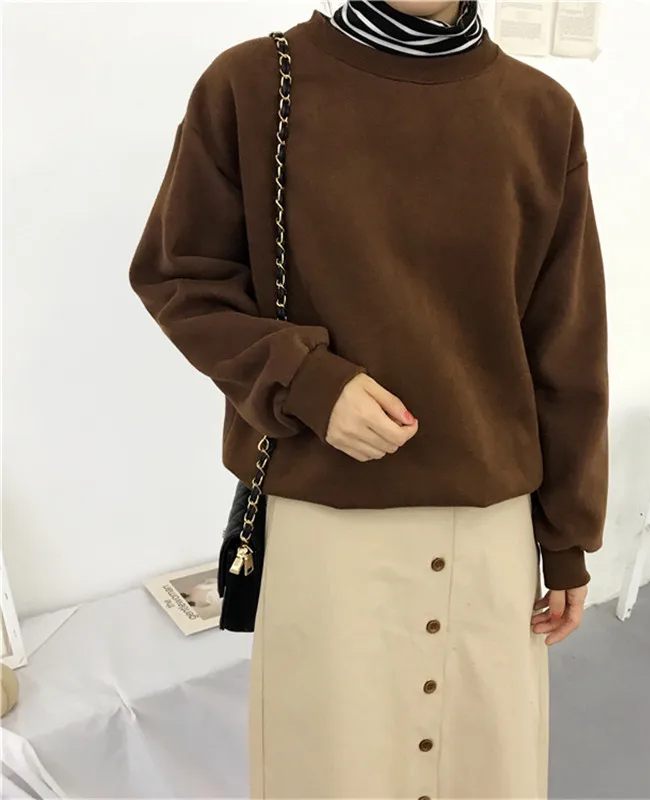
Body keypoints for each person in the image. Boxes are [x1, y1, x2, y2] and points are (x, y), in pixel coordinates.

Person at [129, 1, 609, 797]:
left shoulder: (540, 113)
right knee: (329, 771)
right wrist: (309, 384)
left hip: (490, 528)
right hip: (327, 521)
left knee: (481, 771)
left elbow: (566, 343)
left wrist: (567, 538)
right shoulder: (253, 84)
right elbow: (181, 278)